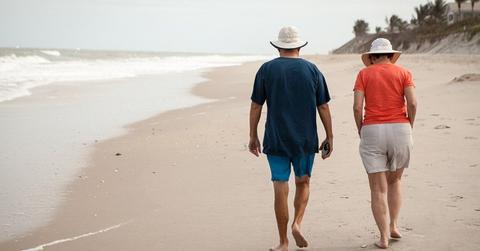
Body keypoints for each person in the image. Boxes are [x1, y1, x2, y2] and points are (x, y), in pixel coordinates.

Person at [249, 26, 333, 251]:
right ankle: (297, 224)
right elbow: (323, 106)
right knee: (303, 181)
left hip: (275, 138)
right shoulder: (312, 70)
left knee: (280, 185)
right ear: (299, 46)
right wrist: (329, 136)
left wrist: (253, 135)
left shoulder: (266, 70)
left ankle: (283, 242)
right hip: (305, 139)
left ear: (278, 47)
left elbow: (256, 105)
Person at [353, 38, 418, 249]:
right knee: (395, 181)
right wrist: (410, 124)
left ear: (371, 57)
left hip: (372, 129)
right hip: (400, 128)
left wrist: (361, 128)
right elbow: (413, 102)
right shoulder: (404, 73)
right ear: (391, 55)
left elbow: (357, 107)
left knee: (377, 188)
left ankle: (382, 237)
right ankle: (394, 226)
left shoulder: (364, 74)